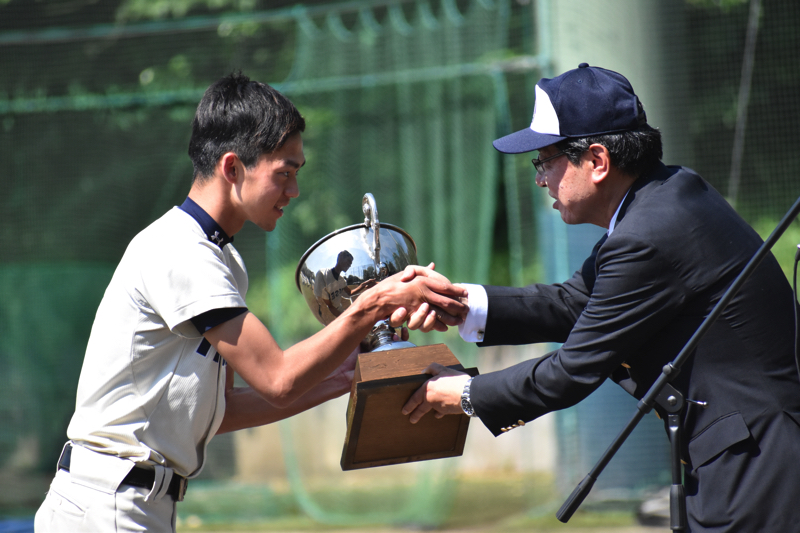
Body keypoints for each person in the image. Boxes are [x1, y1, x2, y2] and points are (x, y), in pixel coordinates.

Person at [34, 72, 468, 533]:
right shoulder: (181, 251)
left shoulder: (221, 258)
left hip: (135, 502)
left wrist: (344, 376)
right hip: (108, 505)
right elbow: (278, 379)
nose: (294, 191)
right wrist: (372, 304)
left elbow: (221, 411)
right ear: (232, 168)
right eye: (284, 173)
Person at [401, 63, 800, 531]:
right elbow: (574, 302)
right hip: (751, 460)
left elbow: (572, 371)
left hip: (760, 474)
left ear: (597, 161)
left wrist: (464, 394)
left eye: (544, 161)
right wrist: (463, 303)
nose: (540, 180)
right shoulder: (665, 197)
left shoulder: (647, 234)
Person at [313, 250, 376, 318]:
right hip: (329, 313)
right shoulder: (323, 274)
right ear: (340, 257)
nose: (349, 265)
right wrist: (344, 318)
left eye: (350, 263)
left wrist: (363, 285)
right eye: (348, 261)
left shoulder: (341, 280)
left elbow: (350, 293)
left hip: (338, 309)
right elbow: (329, 306)